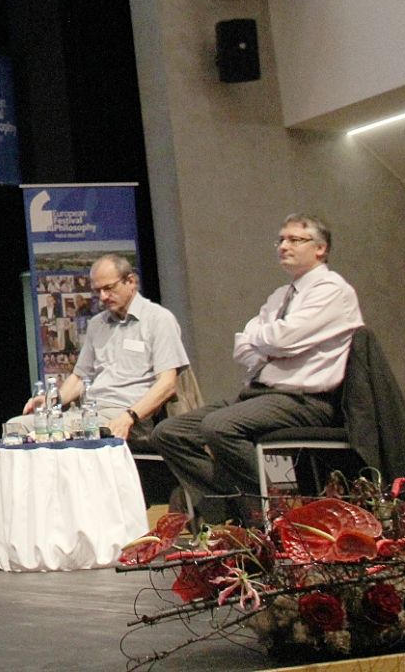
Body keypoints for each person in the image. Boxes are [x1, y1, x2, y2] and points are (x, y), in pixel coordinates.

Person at [152, 214, 363, 525]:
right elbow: (243, 346)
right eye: (281, 240)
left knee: (219, 426)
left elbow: (283, 338)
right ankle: (234, 507)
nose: (283, 246)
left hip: (305, 400)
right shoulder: (280, 296)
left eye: (294, 240)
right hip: (260, 395)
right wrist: (268, 342)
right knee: (170, 433)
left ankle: (273, 514)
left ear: (321, 249)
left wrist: (264, 340)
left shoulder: (332, 290)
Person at [8, 254, 189, 440]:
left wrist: (129, 417)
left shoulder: (159, 320)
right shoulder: (97, 324)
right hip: (90, 411)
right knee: (17, 426)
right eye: (97, 291)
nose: (103, 297)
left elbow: (167, 384)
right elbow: (80, 377)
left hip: (127, 415)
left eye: (109, 288)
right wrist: (52, 401)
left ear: (131, 281)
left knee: (57, 433)